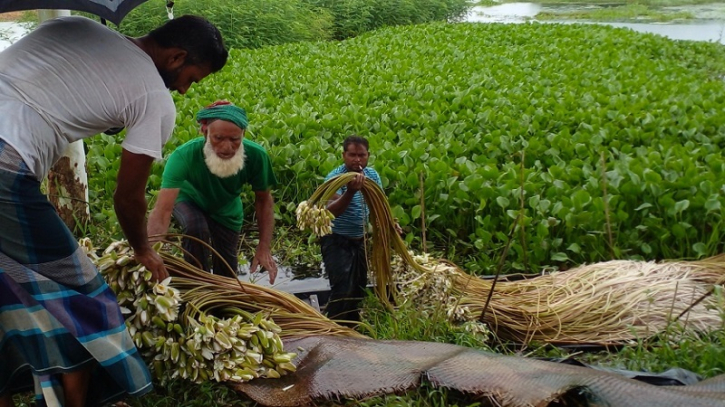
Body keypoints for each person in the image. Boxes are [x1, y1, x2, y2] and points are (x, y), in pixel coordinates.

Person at [0, 15, 227, 407]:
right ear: (176, 57)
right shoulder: (153, 98)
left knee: (10, 289)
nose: (185, 91)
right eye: (191, 78)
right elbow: (128, 196)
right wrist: (142, 249)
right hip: (5, 168)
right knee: (87, 300)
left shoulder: (77, 28)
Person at [147, 101, 279, 284]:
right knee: (195, 228)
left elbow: (264, 201)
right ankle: (196, 285)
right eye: (218, 138)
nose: (226, 148)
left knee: (226, 274)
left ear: (244, 134)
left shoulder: (256, 156)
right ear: (204, 131)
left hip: (226, 209)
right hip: (188, 199)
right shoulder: (183, 155)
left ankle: (218, 305)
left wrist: (263, 247)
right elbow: (162, 210)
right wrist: (149, 251)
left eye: (234, 140)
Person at [321, 135, 400, 323]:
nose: (357, 160)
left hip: (360, 240)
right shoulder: (334, 178)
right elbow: (331, 212)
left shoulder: (372, 176)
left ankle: (352, 327)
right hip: (336, 240)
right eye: (352, 155)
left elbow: (380, 204)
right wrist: (350, 192)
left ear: (368, 155)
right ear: (343, 155)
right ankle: (335, 329)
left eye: (361, 155)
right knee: (342, 289)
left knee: (358, 287)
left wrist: (390, 224)